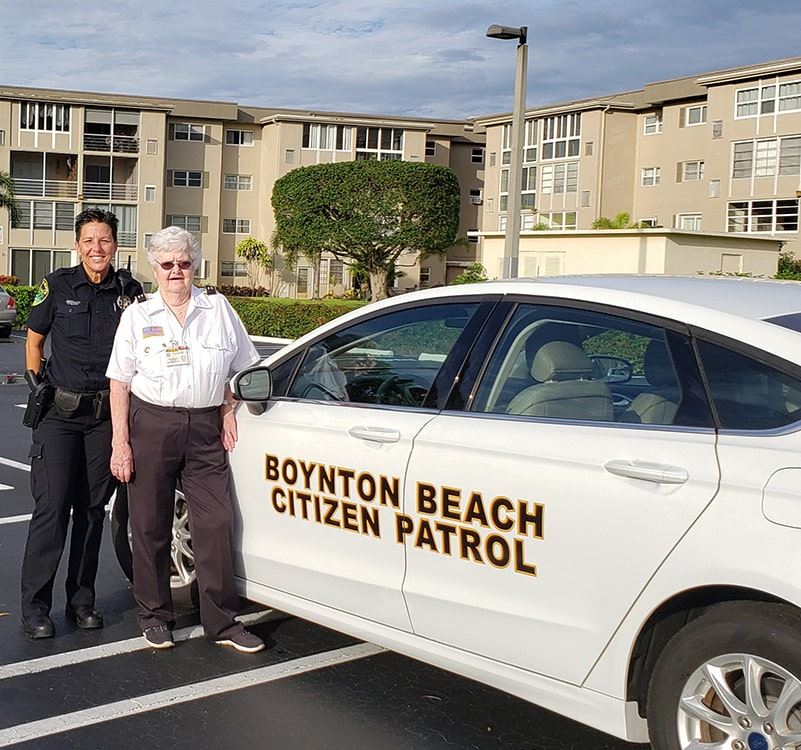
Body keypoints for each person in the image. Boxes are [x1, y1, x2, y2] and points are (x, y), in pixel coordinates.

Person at [106, 226, 264, 652]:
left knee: (215, 523)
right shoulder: (138, 316)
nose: (176, 270)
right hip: (152, 424)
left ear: (195, 265)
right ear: (154, 268)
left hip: (205, 427)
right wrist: (121, 443)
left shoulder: (219, 309)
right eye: (167, 264)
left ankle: (222, 622)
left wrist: (228, 409)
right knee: (150, 525)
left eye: (184, 262)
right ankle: (155, 616)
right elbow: (119, 382)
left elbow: (243, 367)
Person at [21, 208, 144, 639]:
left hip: (103, 419)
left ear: (115, 244)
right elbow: (34, 340)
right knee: (52, 511)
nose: (97, 247)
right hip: (59, 416)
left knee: (91, 513)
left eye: (105, 239)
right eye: (89, 240)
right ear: (77, 245)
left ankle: (81, 601)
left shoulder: (129, 291)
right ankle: (36, 608)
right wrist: (36, 384)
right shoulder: (57, 285)